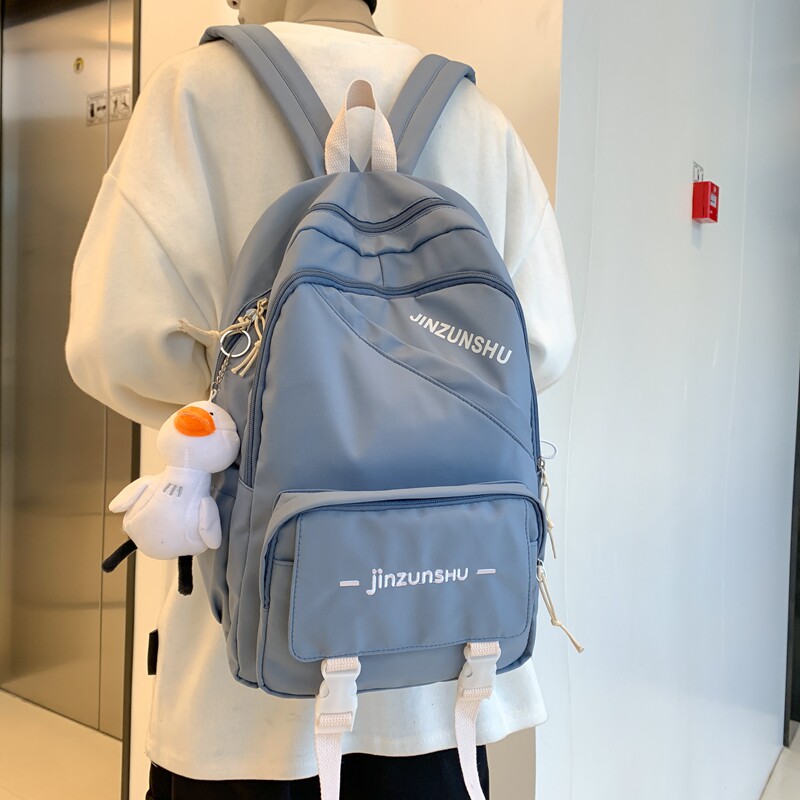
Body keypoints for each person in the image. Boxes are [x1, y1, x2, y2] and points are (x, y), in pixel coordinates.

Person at [65, 0, 577, 797]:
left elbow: (113, 347)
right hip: (452, 677)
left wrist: (252, 405)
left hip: (249, 706)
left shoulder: (193, 94)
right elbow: (543, 345)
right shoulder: (479, 118)